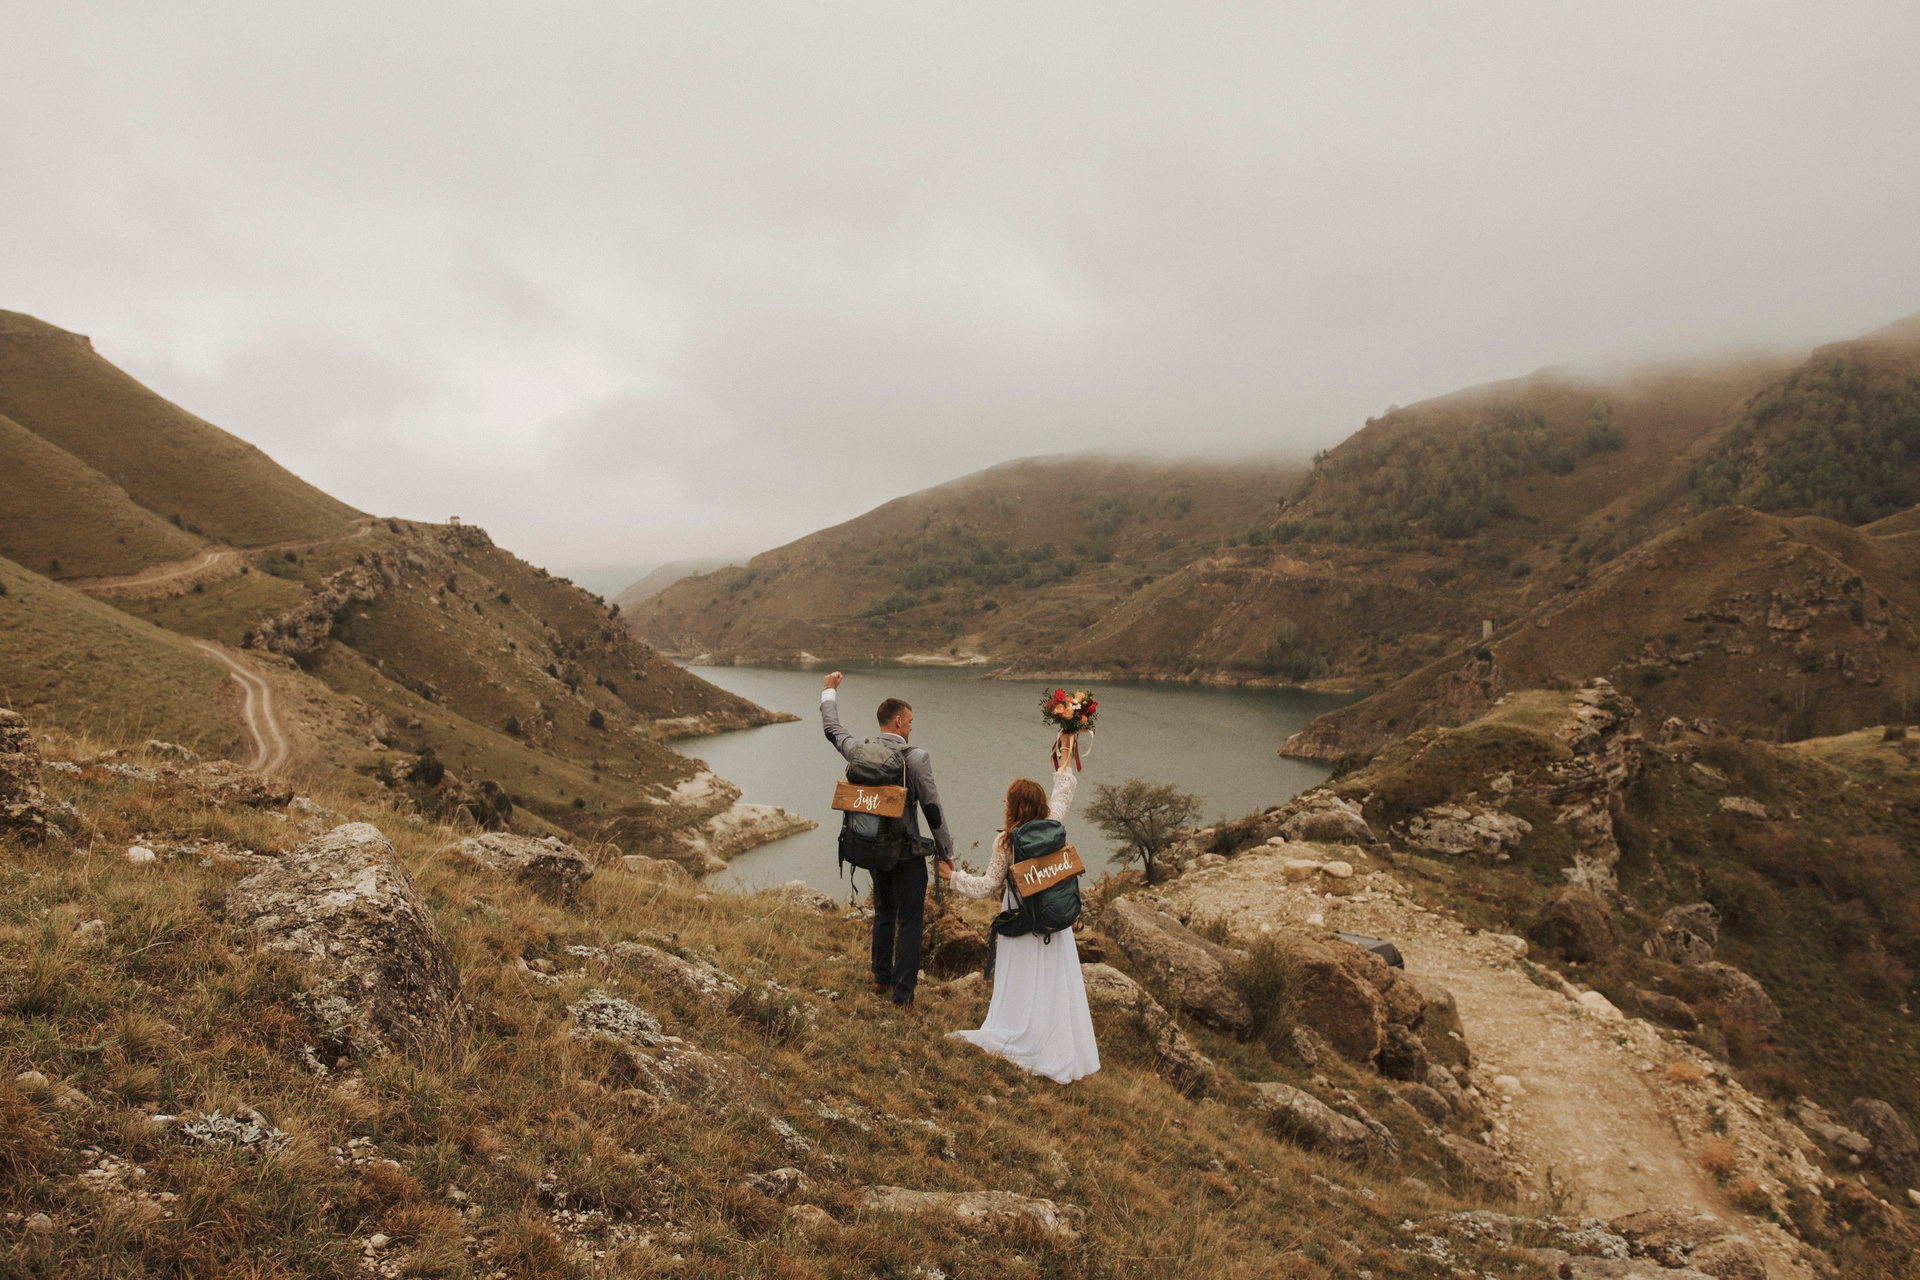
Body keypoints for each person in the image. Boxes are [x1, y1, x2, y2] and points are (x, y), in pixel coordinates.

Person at [940, 732, 1100, 1084]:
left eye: (1008, 799)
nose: (1004, 801)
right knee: (1051, 983)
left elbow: (988, 887)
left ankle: (1017, 1031)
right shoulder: (1053, 825)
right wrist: (1066, 749)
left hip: (1021, 920)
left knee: (1021, 982)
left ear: (1015, 807)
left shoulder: (1006, 842)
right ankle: (1054, 1043)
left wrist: (953, 877)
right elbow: (1064, 791)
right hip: (1052, 922)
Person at [820, 671, 953, 1007]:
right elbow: (932, 809)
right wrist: (945, 852)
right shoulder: (916, 758)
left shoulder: (858, 751)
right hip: (906, 854)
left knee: (884, 910)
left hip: (874, 850)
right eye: (909, 722)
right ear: (897, 721)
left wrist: (828, 691)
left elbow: (832, 729)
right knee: (910, 920)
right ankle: (903, 993)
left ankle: (881, 977)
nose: (911, 728)